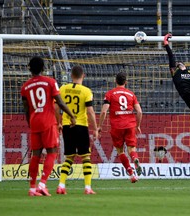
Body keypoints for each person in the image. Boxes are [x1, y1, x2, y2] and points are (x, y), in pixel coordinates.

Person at [21, 56, 76, 196]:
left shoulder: (25, 86)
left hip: (34, 122)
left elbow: (26, 109)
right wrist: (71, 115)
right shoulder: (51, 82)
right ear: (43, 68)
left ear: (29, 69)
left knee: (36, 155)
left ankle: (32, 188)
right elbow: (60, 102)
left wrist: (30, 123)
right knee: (52, 152)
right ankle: (42, 184)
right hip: (48, 121)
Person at [56, 65, 98, 195]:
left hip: (67, 126)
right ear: (83, 76)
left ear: (71, 76)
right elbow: (90, 112)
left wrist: (58, 122)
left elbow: (56, 108)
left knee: (69, 157)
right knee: (85, 157)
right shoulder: (86, 91)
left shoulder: (63, 88)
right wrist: (95, 128)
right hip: (81, 125)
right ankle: (87, 187)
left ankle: (61, 185)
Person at [97, 72, 143, 183]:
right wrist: (138, 125)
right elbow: (139, 111)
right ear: (125, 82)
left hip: (117, 126)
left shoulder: (110, 94)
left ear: (115, 81)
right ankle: (135, 158)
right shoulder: (131, 94)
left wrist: (99, 126)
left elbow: (103, 111)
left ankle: (132, 174)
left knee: (120, 151)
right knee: (131, 148)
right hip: (130, 125)